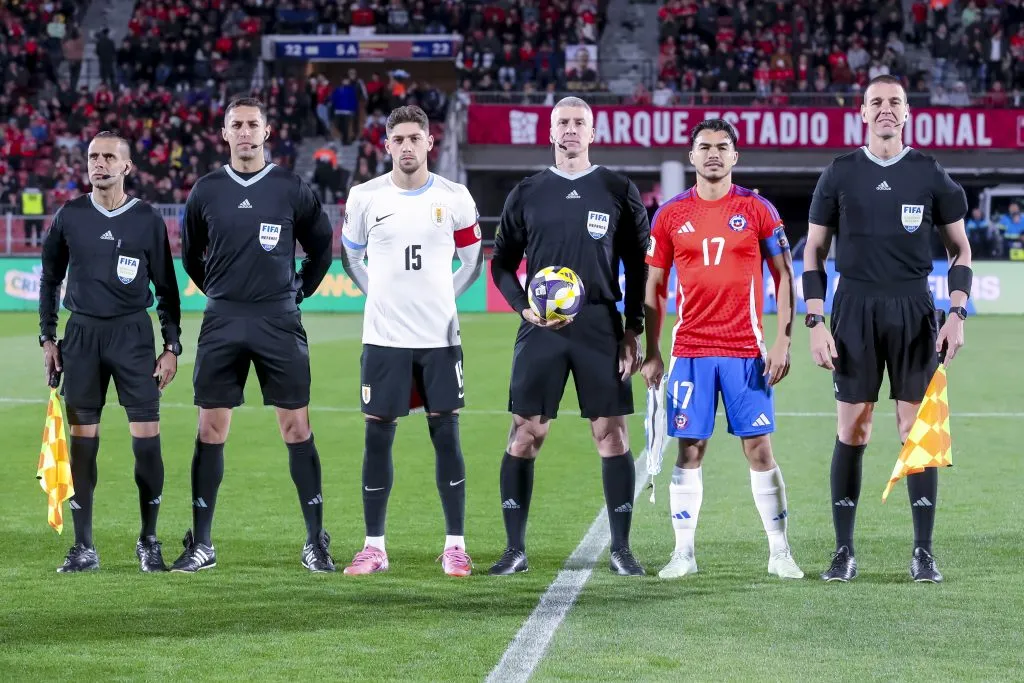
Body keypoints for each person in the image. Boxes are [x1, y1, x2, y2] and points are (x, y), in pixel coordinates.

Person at [804, 75, 971, 583]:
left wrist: (957, 312)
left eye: (894, 103)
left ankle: (922, 552)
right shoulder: (839, 173)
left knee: (912, 430)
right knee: (853, 427)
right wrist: (815, 320)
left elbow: (959, 249)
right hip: (853, 307)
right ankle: (843, 550)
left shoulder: (930, 174)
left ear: (907, 113)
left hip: (915, 308)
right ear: (861, 111)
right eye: (876, 102)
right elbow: (812, 251)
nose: (885, 110)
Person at [488, 96, 650, 576]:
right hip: (541, 329)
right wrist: (524, 307)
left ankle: (621, 548)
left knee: (612, 436)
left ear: (593, 132)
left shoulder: (617, 188)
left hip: (600, 325)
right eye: (564, 122)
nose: (572, 130)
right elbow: (500, 264)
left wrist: (632, 328)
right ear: (552, 131)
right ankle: (514, 550)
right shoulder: (528, 191)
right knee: (524, 435)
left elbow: (639, 264)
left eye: (580, 122)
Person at [174, 97, 335, 573]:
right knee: (210, 427)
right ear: (225, 133)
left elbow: (322, 247)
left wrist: (295, 291)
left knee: (296, 426)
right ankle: (201, 544)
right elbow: (191, 256)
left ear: (267, 132)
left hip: (278, 321)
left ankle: (315, 541)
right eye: (236, 125)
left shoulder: (291, 186)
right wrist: (223, 294)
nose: (245, 132)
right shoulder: (205, 191)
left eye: (252, 125)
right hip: (223, 320)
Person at [641, 119, 804, 580]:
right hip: (690, 351)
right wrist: (652, 351)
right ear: (691, 156)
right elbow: (654, 285)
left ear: (736, 156)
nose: (713, 154)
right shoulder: (670, 214)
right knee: (689, 450)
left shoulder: (757, 210)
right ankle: (683, 554)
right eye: (704, 147)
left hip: (745, 351)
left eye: (722, 147)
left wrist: (782, 339)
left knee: (759, 449)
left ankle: (780, 552)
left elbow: (785, 276)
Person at [339, 105, 482, 577]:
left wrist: (444, 300)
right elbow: (352, 259)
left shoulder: (455, 197)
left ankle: (455, 546)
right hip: (384, 339)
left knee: (447, 435)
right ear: (386, 146)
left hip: (439, 340)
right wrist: (379, 295)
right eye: (397, 139)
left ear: (429, 143)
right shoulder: (364, 197)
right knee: (377, 437)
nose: (406, 146)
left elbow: (471, 260)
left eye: (414, 138)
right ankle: (374, 546)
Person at [38, 131, 181, 573]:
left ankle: (149, 539)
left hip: (132, 337)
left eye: (108, 157)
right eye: (92, 157)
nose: (98, 164)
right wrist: (47, 337)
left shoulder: (146, 219)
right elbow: (48, 280)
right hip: (80, 337)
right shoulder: (69, 216)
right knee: (83, 446)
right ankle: (84, 548)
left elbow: (167, 290)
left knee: (147, 445)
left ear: (127, 166)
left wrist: (171, 345)